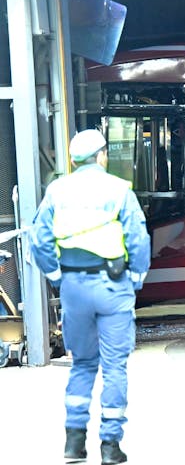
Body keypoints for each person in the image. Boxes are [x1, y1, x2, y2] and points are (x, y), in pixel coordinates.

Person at [29, 129, 151, 465]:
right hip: (113, 286)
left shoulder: (56, 191)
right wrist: (137, 277)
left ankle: (74, 443)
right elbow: (138, 239)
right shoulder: (118, 190)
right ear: (102, 156)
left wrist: (56, 276)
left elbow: (39, 241)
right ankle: (111, 446)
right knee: (114, 366)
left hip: (74, 286)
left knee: (82, 363)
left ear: (72, 160)